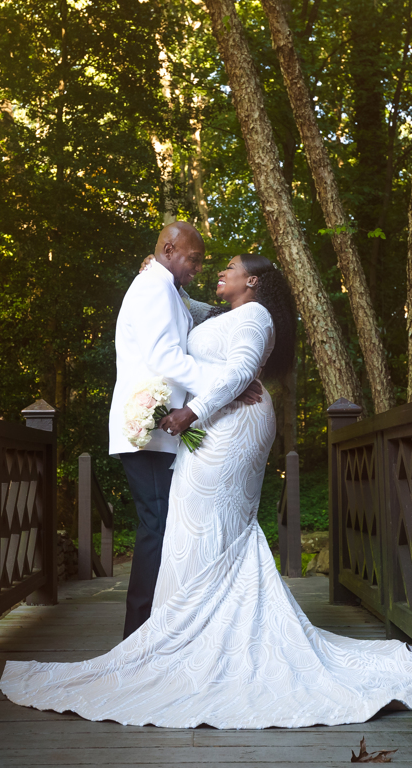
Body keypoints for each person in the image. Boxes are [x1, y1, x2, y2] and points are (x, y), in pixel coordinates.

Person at [1, 253, 412, 728]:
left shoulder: (257, 317)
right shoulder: (225, 314)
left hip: (233, 426)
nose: (219, 271)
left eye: (230, 267)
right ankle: (185, 635)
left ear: (251, 281)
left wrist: (189, 413)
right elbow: (183, 304)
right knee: (194, 526)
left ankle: (199, 640)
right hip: (217, 425)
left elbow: (240, 374)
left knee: (207, 525)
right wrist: (155, 272)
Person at [106, 221, 257, 639]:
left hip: (161, 430)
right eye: (194, 259)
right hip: (148, 429)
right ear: (169, 250)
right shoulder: (153, 288)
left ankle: (157, 629)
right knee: (157, 525)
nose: (199, 269)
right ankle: (137, 637)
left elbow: (202, 315)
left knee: (162, 524)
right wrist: (228, 382)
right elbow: (165, 358)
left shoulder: (166, 288)